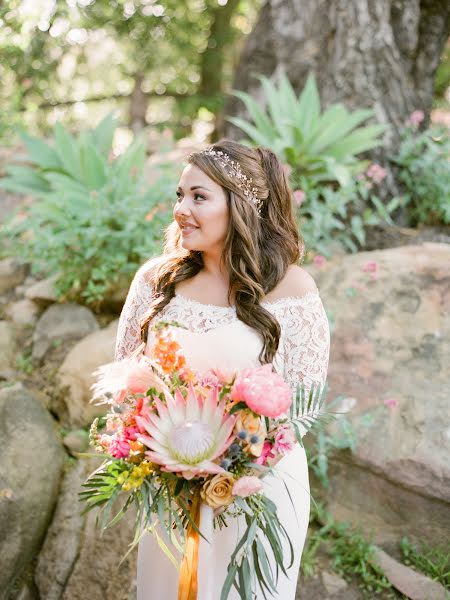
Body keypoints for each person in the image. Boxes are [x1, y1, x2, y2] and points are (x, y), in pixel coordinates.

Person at [114, 139, 330, 600]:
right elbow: (126, 382)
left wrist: (232, 461)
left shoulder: (292, 288)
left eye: (199, 197)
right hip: (169, 489)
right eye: (179, 195)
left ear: (241, 206)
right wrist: (169, 457)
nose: (181, 210)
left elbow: (304, 404)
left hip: (257, 489)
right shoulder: (157, 281)